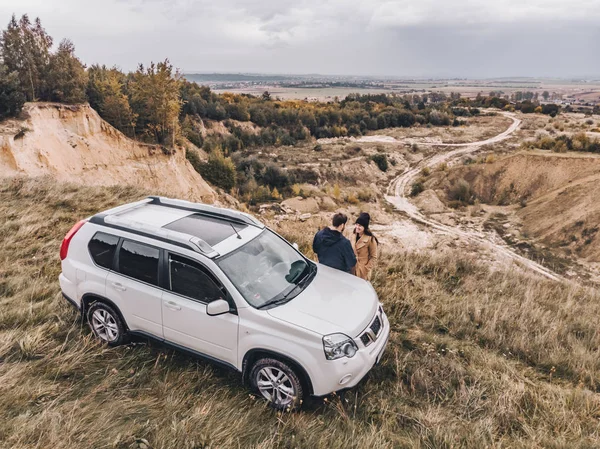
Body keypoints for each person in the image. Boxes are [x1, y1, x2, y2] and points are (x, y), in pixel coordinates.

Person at [351, 212, 379, 281]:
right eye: (356, 224)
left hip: (362, 272)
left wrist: (365, 269)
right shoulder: (352, 235)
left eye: (360, 225)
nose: (357, 227)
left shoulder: (371, 239)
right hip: (351, 269)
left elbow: (373, 257)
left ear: (365, 227)